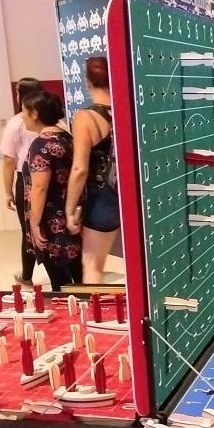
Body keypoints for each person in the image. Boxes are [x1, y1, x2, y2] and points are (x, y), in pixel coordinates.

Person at [22, 91, 82, 288]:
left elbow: (40, 187)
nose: (22, 117)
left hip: (51, 222)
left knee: (60, 283)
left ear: (35, 113)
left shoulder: (41, 144)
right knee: (79, 277)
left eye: (24, 111)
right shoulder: (67, 138)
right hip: (72, 215)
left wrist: (34, 222)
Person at [66, 56, 118, 284]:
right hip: (130, 194)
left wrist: (70, 209)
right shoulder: (127, 112)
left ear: (87, 82)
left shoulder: (85, 118)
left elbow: (79, 169)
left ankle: (95, 307)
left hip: (101, 198)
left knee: (93, 264)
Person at [0, 76, 43, 288]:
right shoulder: (54, 120)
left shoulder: (16, 122)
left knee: (28, 229)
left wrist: (7, 192)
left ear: (20, 95)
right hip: (52, 180)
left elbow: (9, 160)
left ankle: (27, 274)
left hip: (26, 181)